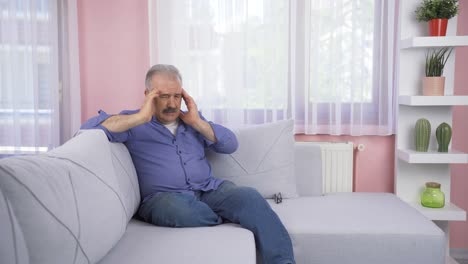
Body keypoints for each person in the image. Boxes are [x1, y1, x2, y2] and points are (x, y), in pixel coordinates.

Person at [81, 64, 295, 264]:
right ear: (148, 95)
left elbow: (230, 144)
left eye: (177, 96)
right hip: (164, 198)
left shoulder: (192, 119)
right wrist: (140, 118)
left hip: (209, 189)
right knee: (179, 211)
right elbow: (89, 128)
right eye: (164, 96)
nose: (172, 103)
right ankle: (229, 216)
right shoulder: (132, 122)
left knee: (250, 197)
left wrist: (197, 122)